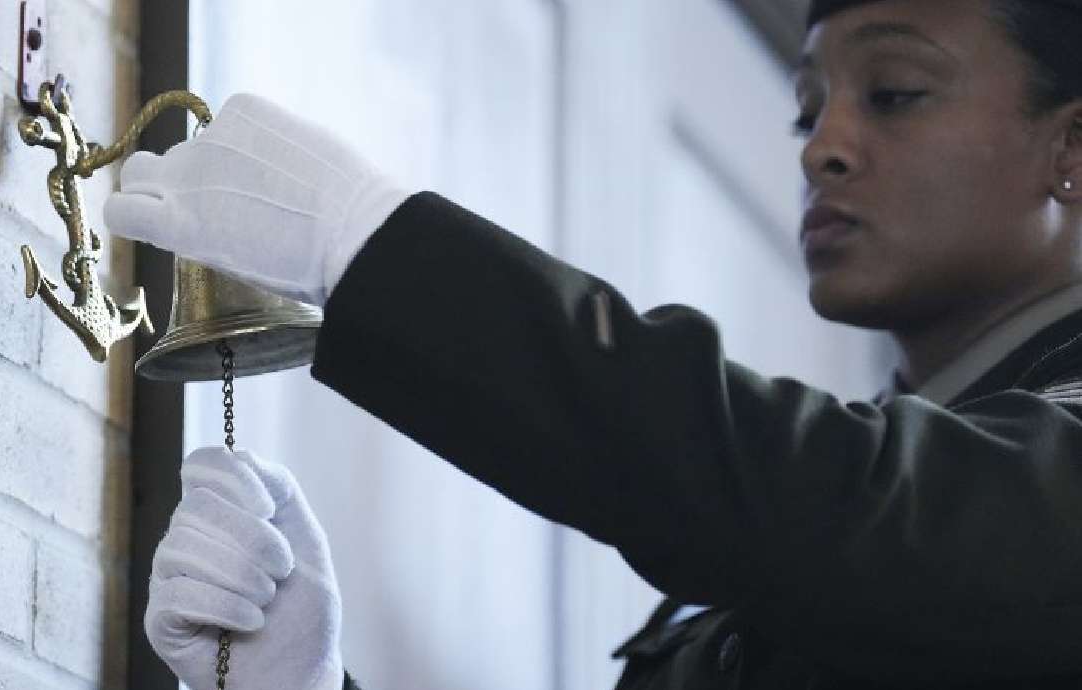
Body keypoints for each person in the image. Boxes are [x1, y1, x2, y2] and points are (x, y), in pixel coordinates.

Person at [109, 0, 1082, 687]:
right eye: (805, 106)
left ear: (1069, 151)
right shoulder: (798, 534)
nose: (820, 144)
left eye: (896, 92)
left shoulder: (875, 504)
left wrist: (379, 248)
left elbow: (847, 508)